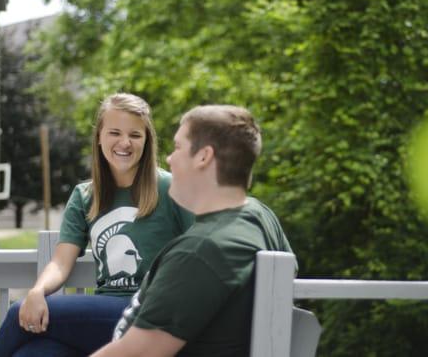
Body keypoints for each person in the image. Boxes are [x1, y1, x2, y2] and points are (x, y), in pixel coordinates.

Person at [0, 93, 193, 357]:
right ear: (99, 137)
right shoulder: (85, 196)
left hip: (151, 313)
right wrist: (38, 291)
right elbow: (61, 263)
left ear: (147, 140)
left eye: (135, 135)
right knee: (34, 353)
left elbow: (202, 246)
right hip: (106, 317)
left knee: (18, 313)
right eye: (115, 132)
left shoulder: (172, 188)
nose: (125, 143)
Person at [91, 104, 294, 357]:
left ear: (203, 157)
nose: (169, 158)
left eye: (177, 148)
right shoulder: (258, 215)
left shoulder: (200, 251)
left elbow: (138, 354)